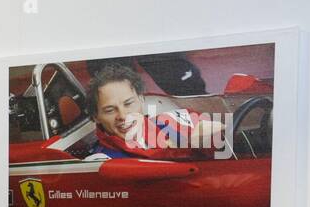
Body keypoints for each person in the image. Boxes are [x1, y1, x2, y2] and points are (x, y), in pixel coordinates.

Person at [86, 63, 223, 160]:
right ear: (96, 116)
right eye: (110, 110)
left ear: (141, 100)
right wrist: (189, 144)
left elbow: (229, 136)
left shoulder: (172, 121)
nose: (123, 116)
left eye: (128, 104)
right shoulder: (101, 162)